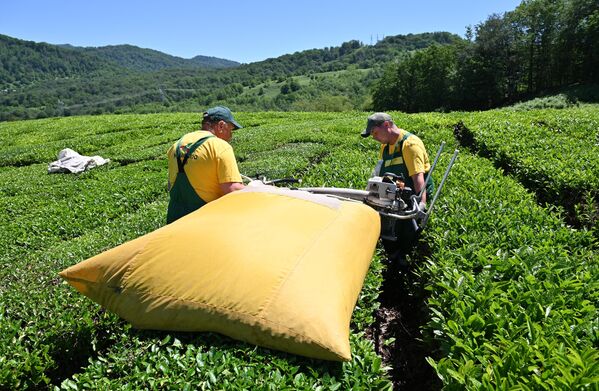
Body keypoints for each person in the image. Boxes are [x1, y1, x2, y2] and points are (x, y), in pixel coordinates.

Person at [361, 112, 434, 264]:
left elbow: (418, 178)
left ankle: (405, 261)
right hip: (394, 195)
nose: (374, 137)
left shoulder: (410, 144)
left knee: (408, 235)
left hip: (413, 194)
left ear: (386, 125)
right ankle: (394, 257)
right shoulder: (385, 147)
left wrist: (421, 204)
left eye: (374, 133)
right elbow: (381, 174)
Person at [166, 106, 244, 224]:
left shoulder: (177, 145)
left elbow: (170, 184)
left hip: (175, 221)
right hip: (204, 222)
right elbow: (232, 190)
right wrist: (260, 189)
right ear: (221, 126)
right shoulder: (220, 146)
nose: (231, 136)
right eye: (230, 130)